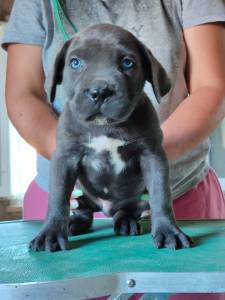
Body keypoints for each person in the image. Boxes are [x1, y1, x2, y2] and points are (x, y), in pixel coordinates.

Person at [1, 1, 225, 299]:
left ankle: (136, 214)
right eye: (77, 62)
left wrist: (143, 159)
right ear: (58, 74)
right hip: (70, 193)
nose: (100, 86)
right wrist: (78, 156)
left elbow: (212, 87)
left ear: (151, 75)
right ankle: (78, 213)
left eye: (127, 63)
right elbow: (22, 94)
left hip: (179, 194)